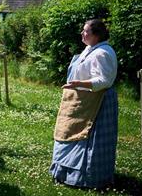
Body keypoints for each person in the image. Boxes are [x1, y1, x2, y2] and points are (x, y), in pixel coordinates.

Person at [49, 19, 118, 189]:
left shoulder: (103, 53)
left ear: (96, 35)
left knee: (86, 139)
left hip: (96, 103)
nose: (82, 33)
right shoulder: (90, 49)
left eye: (86, 31)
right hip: (81, 102)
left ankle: (87, 178)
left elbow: (104, 80)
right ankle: (64, 172)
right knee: (69, 133)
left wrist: (78, 84)